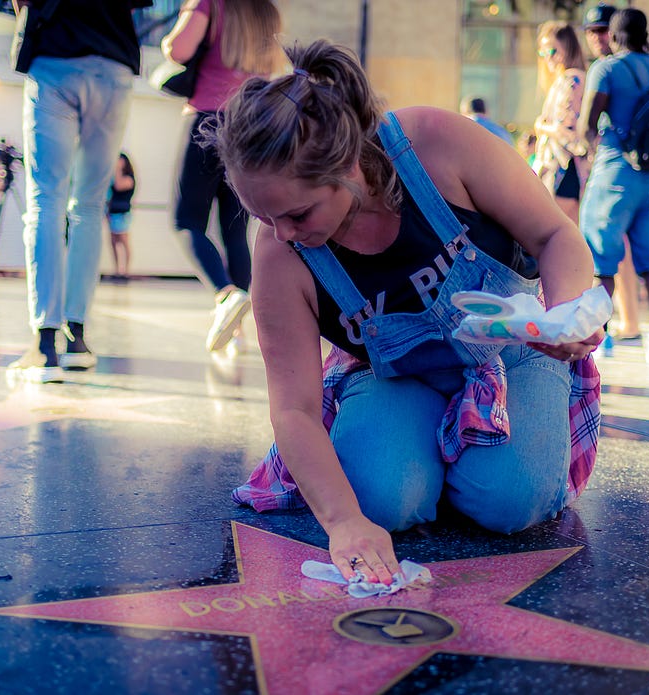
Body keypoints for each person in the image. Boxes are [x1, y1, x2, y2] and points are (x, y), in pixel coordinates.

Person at [213, 40, 603, 584]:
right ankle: (426, 465)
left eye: (298, 213)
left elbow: (556, 235)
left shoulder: (435, 145)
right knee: (378, 500)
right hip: (395, 377)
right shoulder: (279, 253)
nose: (283, 234)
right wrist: (344, 521)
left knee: (513, 504)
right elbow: (294, 410)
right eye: (262, 215)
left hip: (513, 355)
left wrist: (566, 314)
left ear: (347, 165)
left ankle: (455, 469)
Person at [6, 0, 151, 383]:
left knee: (46, 201)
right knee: (88, 205)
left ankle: (44, 344)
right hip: (113, 62)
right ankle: (77, 339)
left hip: (55, 57)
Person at [161, 0, 284, 353]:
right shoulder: (266, 11)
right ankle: (238, 329)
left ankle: (225, 294)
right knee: (234, 229)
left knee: (186, 221)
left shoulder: (210, 3)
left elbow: (178, 49)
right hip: (249, 126)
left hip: (207, 119)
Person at [579, 8, 649, 364]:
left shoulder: (606, 69)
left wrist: (588, 147)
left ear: (612, 35)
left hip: (616, 175)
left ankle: (603, 338)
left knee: (601, 258)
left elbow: (586, 125)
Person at [582, 2, 642, 352]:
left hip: (614, 168)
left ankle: (623, 321)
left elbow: (588, 126)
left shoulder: (611, 70)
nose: (597, 37)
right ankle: (624, 320)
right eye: (591, 31)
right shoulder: (606, 69)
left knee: (611, 248)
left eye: (603, 30)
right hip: (612, 167)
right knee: (613, 248)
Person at [532, 21, 590, 226]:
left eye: (553, 50)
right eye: (543, 52)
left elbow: (568, 131)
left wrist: (541, 126)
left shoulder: (571, 80)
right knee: (571, 240)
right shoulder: (576, 78)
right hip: (569, 172)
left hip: (564, 170)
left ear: (569, 48)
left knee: (551, 234)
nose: (549, 57)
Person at [107, 152, 135, 280]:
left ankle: (126, 271)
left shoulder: (129, 179)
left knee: (124, 241)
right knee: (113, 242)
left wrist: (117, 170)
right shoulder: (113, 178)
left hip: (123, 214)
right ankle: (117, 270)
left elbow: (118, 186)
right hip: (113, 213)